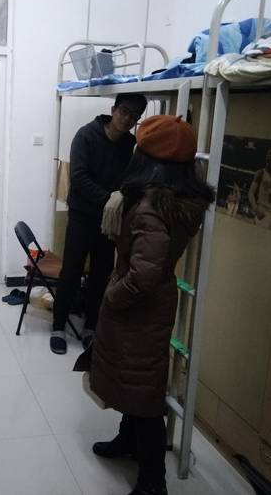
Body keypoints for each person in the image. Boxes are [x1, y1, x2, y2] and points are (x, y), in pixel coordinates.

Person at [89, 115, 215, 495]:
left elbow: (143, 276)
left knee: (143, 396)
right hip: (147, 309)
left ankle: (152, 482)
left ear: (147, 161)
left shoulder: (150, 209)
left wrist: (112, 296)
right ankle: (127, 441)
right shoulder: (172, 200)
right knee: (133, 383)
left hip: (138, 312)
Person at [51, 93, 148, 355]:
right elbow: (79, 178)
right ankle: (58, 326)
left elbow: (131, 180)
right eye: (124, 112)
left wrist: (124, 200)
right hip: (82, 215)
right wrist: (110, 199)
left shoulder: (130, 144)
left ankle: (91, 328)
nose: (127, 119)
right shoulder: (86, 136)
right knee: (71, 271)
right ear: (113, 109)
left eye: (134, 116)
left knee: (101, 274)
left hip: (109, 221)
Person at [248, 148, 271, 231]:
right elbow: (251, 193)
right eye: (269, 158)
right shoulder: (260, 173)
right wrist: (256, 209)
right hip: (262, 208)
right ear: (266, 159)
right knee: (259, 235)